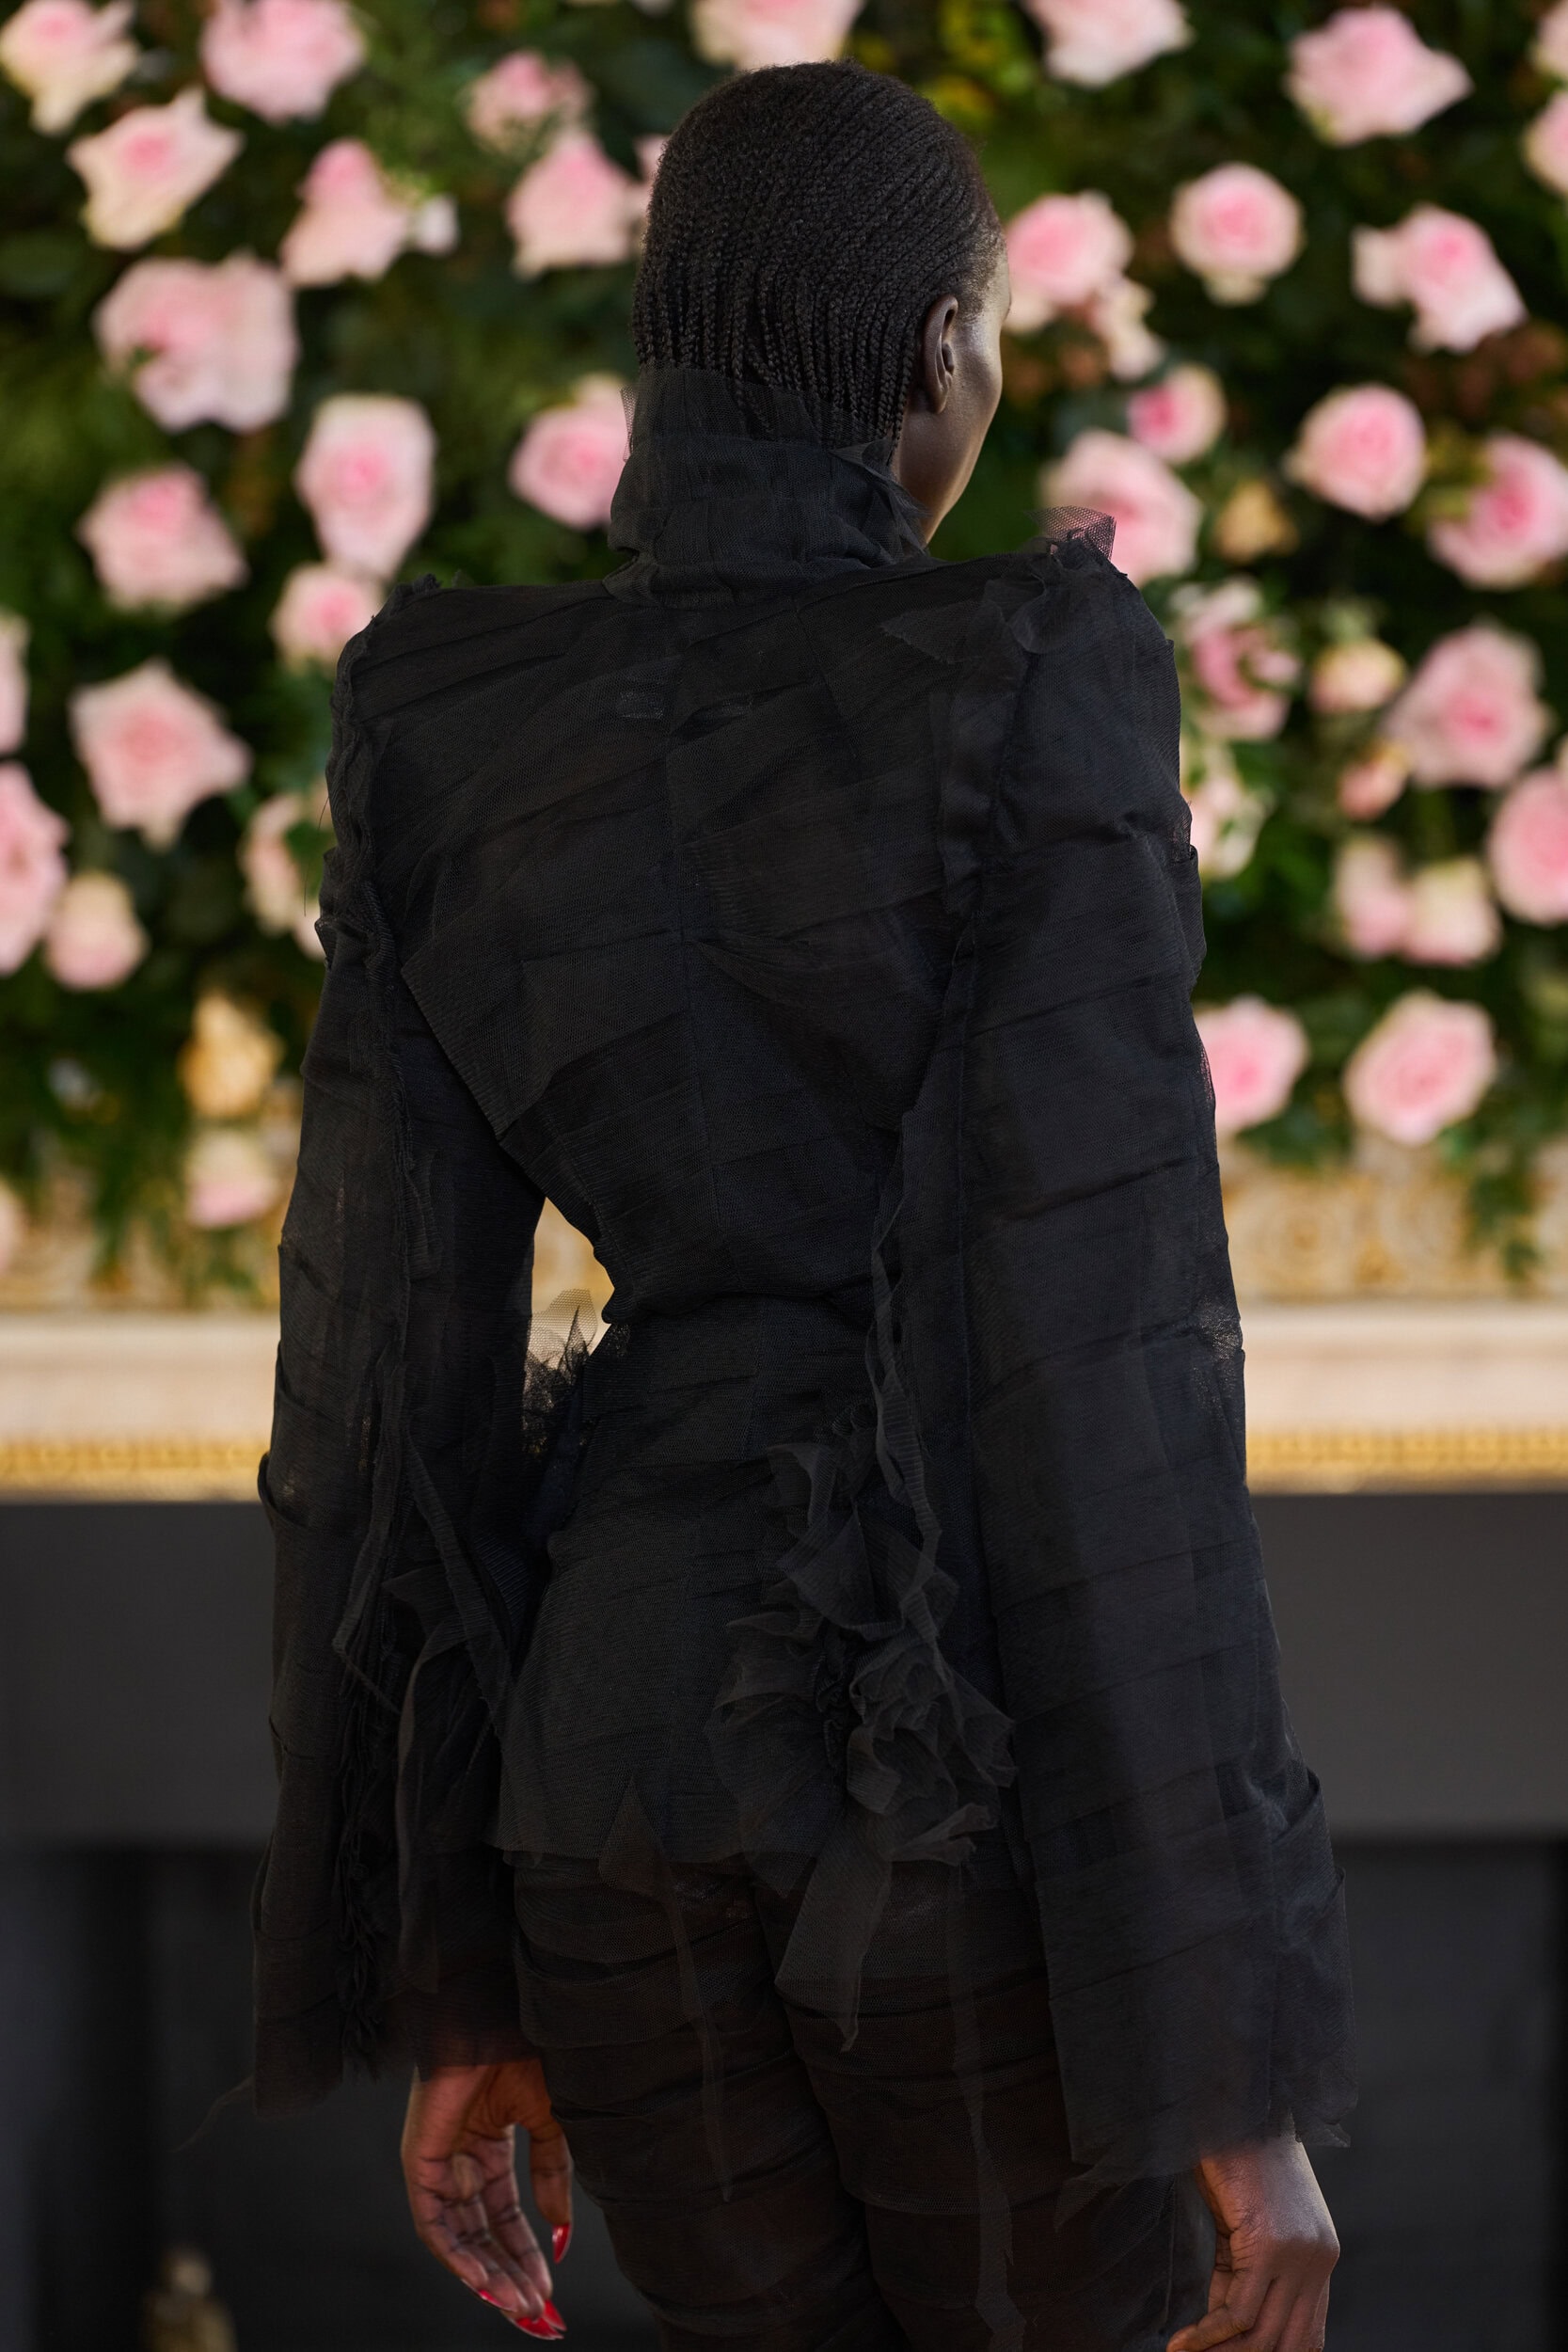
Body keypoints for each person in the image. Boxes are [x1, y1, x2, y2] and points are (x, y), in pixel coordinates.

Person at [255, 59, 1354, 2352]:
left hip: (604, 1772)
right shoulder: (1033, 666)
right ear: (943, 350)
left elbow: (378, 1397)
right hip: (957, 1782)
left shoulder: (443, 717)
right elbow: (1108, 1373)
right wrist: (1227, 2067)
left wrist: (458, 1973)